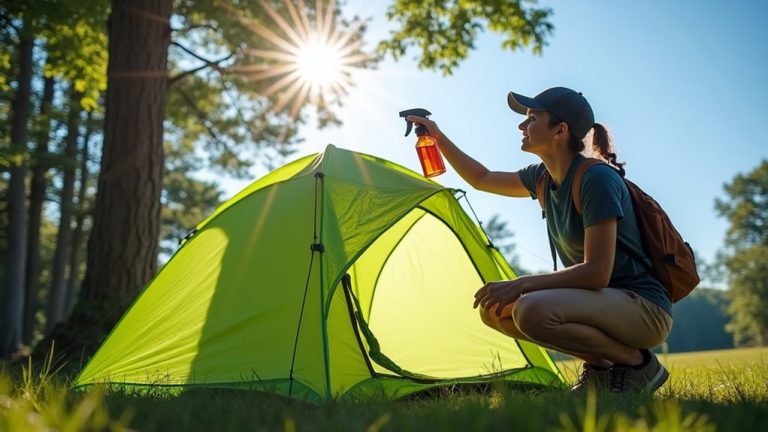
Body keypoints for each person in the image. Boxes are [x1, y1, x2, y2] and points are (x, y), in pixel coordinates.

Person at [407, 87, 673, 394]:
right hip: (602, 302)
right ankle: (601, 370)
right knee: (495, 311)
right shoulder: (543, 178)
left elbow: (597, 272)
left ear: (560, 129)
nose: (522, 125)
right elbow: (482, 178)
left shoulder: (596, 179)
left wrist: (520, 284)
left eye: (532, 118)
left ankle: (639, 365)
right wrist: (438, 138)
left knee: (530, 310)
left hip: (643, 307)